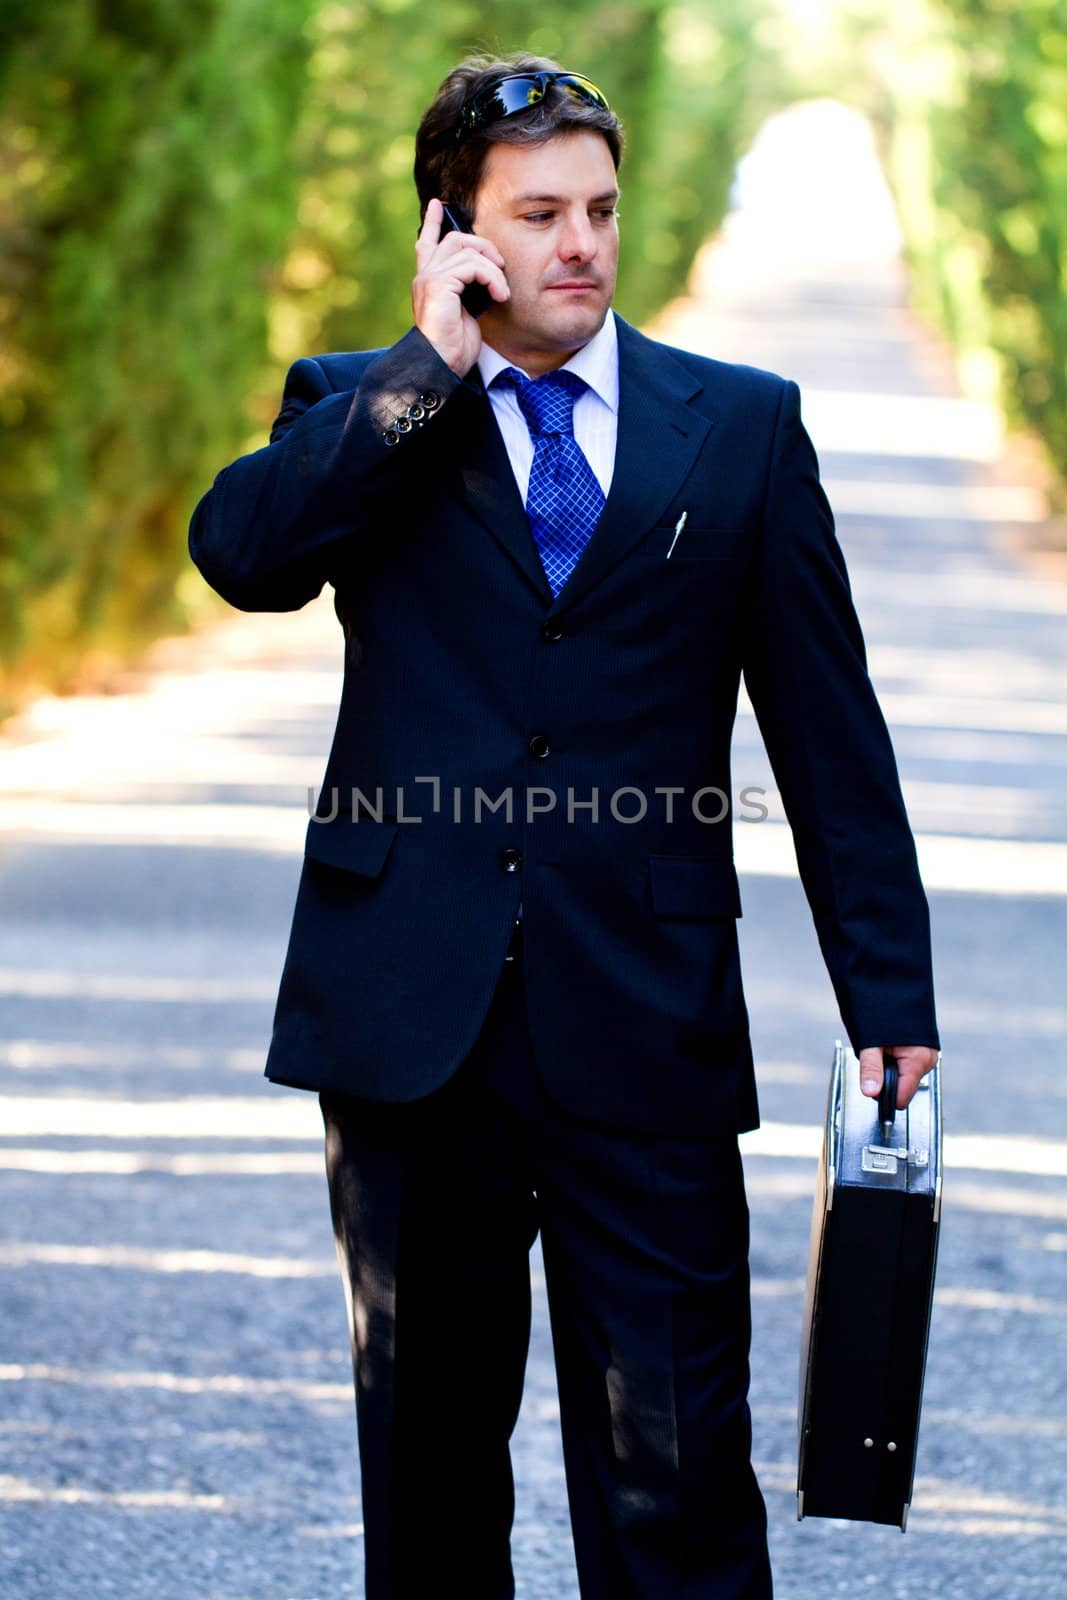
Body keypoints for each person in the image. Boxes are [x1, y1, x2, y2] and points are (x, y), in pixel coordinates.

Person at [188, 51, 940, 1600]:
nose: (582, 243)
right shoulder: (364, 409)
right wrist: (424, 367)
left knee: (677, 1470)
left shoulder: (735, 428)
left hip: (643, 1019)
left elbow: (829, 737)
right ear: (453, 231)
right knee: (432, 1469)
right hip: (412, 1020)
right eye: (538, 215)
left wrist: (890, 996)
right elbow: (245, 557)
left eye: (599, 208)